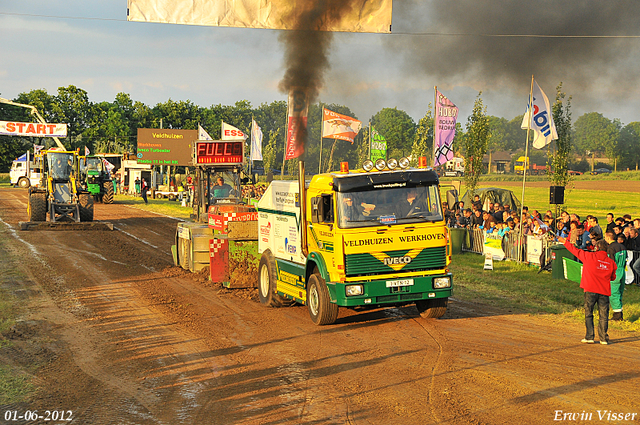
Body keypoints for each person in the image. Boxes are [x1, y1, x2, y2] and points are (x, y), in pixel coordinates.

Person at [559, 236, 617, 344]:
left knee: (589, 313)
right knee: (603, 315)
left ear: (596, 248)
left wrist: (564, 242)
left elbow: (574, 250)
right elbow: (613, 277)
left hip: (590, 289)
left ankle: (589, 336)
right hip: (604, 291)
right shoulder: (611, 262)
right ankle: (603, 338)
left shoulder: (589, 256)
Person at [605, 231, 626, 321]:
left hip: (615, 272)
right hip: (622, 271)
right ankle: (620, 313)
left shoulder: (611, 248)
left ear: (608, 238)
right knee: (620, 292)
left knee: (613, 293)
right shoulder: (622, 246)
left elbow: (611, 263)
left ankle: (617, 315)